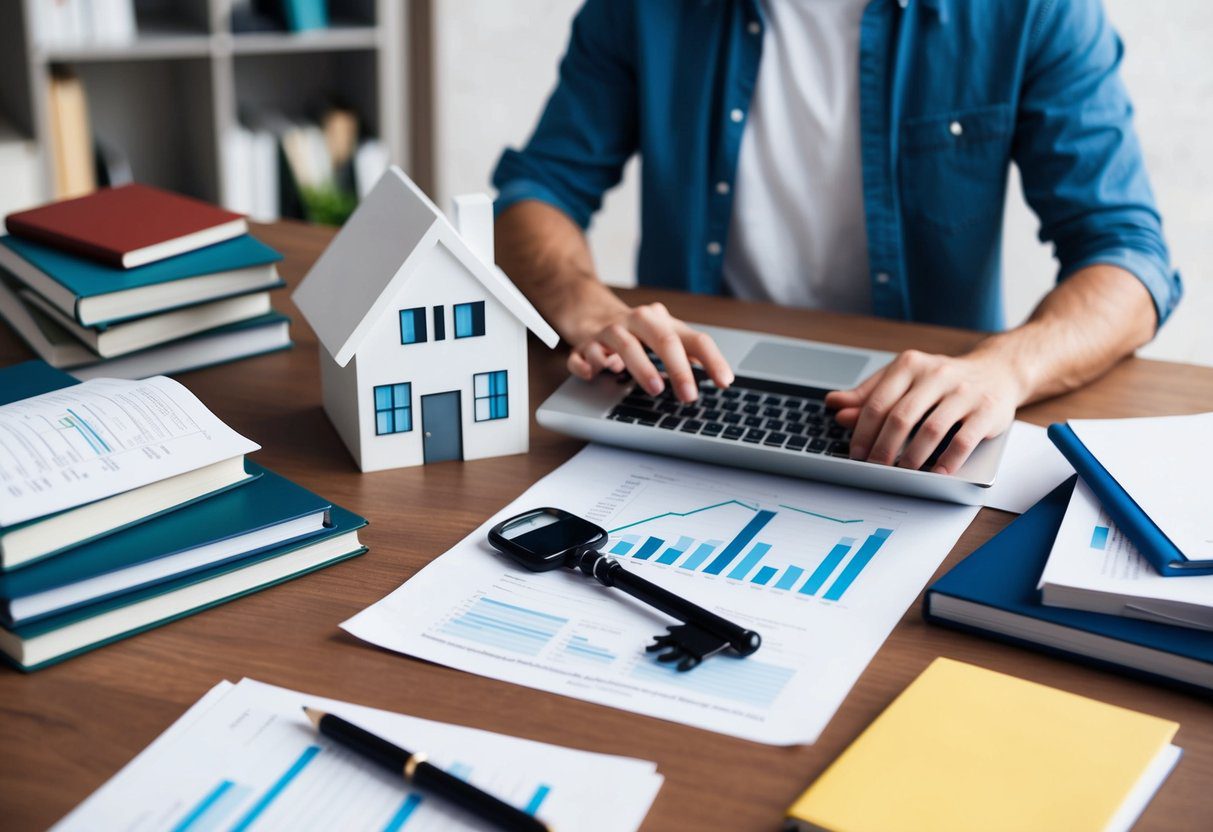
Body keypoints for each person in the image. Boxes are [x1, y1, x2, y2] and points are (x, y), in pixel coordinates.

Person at [491, 0, 1181, 474]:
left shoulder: (1033, 10)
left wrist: (1004, 369)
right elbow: (540, 188)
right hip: (688, 392)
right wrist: (585, 305)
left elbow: (1125, 255)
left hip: (918, 418)